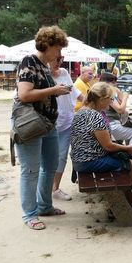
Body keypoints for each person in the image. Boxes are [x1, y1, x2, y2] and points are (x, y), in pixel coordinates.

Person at [13, 25, 70, 230]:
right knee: (30, 170)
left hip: (47, 124)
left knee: (51, 165)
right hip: (30, 124)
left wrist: (55, 91)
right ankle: (30, 214)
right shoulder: (29, 61)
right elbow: (24, 95)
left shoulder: (45, 66)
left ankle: (45, 206)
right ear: (46, 45)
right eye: (58, 48)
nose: (59, 53)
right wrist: (54, 90)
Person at [70, 82, 132, 207]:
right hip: (88, 161)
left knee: (125, 158)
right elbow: (108, 146)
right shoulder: (96, 116)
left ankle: (124, 197)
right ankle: (124, 202)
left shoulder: (82, 111)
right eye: (111, 99)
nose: (111, 102)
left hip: (79, 159)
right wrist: (127, 148)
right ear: (102, 100)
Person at [50, 56, 83, 201]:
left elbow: (75, 92)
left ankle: (55, 188)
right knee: (46, 159)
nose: (59, 62)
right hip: (49, 123)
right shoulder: (42, 75)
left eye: (61, 58)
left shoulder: (63, 72)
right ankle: (44, 190)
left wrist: (93, 101)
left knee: (62, 157)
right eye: (56, 59)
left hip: (67, 121)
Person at [99, 72, 132, 144]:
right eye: (115, 83)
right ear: (112, 82)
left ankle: (126, 150)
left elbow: (122, 104)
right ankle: (130, 152)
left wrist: (118, 92)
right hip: (110, 124)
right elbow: (120, 110)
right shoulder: (107, 92)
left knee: (130, 127)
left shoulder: (103, 90)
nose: (116, 85)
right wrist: (125, 97)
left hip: (108, 124)